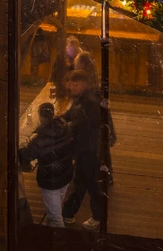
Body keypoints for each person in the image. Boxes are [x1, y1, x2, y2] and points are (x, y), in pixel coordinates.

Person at [61, 70, 108, 229]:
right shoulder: (81, 99)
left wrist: (66, 125)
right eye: (71, 83)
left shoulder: (90, 103)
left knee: (91, 184)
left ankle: (97, 216)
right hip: (84, 150)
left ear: (84, 84)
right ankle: (68, 212)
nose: (71, 86)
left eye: (75, 84)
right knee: (81, 182)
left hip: (90, 150)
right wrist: (62, 118)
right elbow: (72, 114)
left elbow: (84, 125)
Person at [19, 102, 74, 227]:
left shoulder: (39, 140)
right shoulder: (65, 127)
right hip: (66, 175)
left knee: (55, 216)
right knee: (55, 210)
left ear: (40, 117)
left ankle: (61, 242)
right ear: (53, 114)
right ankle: (50, 235)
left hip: (50, 181)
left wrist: (21, 147)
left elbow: (25, 156)